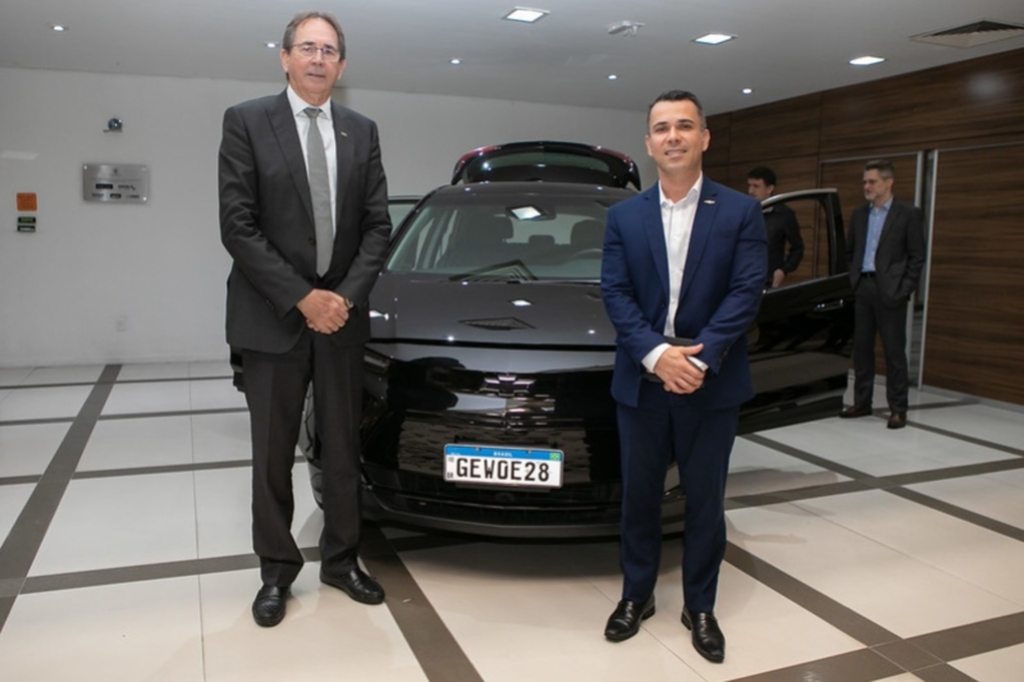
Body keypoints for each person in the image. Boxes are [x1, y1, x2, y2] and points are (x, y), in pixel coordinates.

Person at [219, 10, 392, 627]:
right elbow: (237, 225)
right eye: (308, 48)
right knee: (272, 456)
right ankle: (276, 572)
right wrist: (303, 297)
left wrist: (341, 297)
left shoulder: (361, 131)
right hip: (271, 319)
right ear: (285, 57)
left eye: (330, 50)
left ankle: (342, 562)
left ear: (341, 65)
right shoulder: (246, 121)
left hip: (342, 321)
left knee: (341, 449)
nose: (319, 58)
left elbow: (377, 226)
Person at [600, 90, 766, 663]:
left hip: (709, 382)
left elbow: (746, 292)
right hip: (643, 380)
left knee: (705, 502)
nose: (673, 136)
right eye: (662, 128)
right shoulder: (623, 216)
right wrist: (655, 355)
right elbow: (615, 293)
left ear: (704, 137)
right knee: (640, 498)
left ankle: (700, 606)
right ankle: (636, 595)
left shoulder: (740, 211)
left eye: (685, 126)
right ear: (648, 143)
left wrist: (696, 359)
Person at [840, 159, 925, 429]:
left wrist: (905, 289)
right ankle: (862, 401)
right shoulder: (859, 215)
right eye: (865, 181)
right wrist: (853, 280)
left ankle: (898, 408)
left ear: (888, 182)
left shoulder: (908, 214)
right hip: (863, 287)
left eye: (872, 181)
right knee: (862, 350)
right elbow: (850, 251)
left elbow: (917, 256)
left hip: (891, 290)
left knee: (894, 351)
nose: (867, 186)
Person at [746, 166, 804, 288]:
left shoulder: (784, 215)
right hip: (742, 278)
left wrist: (783, 270)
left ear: (770, 189)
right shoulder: (744, 212)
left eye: (756, 186)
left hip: (767, 281)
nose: (751, 191)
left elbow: (798, 248)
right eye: (749, 185)